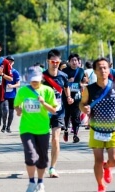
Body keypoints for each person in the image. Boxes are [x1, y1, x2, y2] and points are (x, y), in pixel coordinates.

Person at [79, 57, 115, 192]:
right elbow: (81, 104)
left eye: (105, 67)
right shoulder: (90, 89)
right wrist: (84, 109)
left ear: (109, 69)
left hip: (113, 130)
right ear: (94, 71)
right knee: (98, 160)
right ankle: (100, 186)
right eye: (99, 68)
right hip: (96, 130)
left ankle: (107, 167)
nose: (103, 70)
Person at [14, 66, 57, 192]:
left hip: (42, 129)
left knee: (42, 159)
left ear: (41, 79)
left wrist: (44, 103)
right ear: (28, 79)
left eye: (37, 80)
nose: (34, 82)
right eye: (32, 80)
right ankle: (31, 182)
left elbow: (54, 110)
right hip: (26, 128)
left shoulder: (48, 91)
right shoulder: (23, 91)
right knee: (31, 156)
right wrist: (18, 110)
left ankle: (40, 182)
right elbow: (16, 105)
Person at [42, 49, 73, 178]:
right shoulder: (42, 77)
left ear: (60, 62)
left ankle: (52, 168)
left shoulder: (63, 76)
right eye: (52, 61)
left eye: (57, 62)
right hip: (42, 112)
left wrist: (69, 96)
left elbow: (66, 87)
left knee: (55, 139)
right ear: (48, 61)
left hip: (58, 111)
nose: (55, 64)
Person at [62, 53, 87, 143]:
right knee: (67, 114)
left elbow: (84, 80)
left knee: (76, 115)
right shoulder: (64, 71)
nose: (74, 62)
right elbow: (60, 82)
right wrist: (68, 81)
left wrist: (82, 83)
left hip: (77, 96)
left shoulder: (81, 70)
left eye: (76, 60)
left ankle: (75, 134)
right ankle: (65, 130)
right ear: (69, 62)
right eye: (72, 60)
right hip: (66, 95)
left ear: (78, 61)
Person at [1, 55, 21, 133]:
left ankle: (8, 127)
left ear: (13, 63)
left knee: (11, 111)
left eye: (11, 61)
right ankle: (4, 125)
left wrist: (12, 86)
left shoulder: (15, 72)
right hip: (4, 95)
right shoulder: (2, 72)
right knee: (5, 110)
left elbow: (18, 84)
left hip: (12, 95)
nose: (10, 63)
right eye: (8, 61)